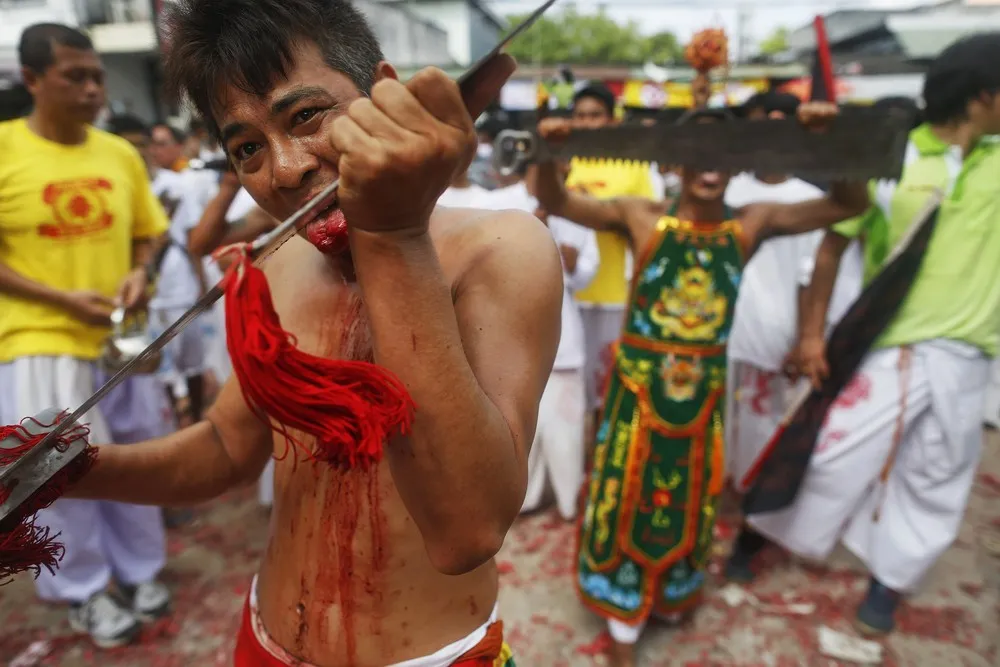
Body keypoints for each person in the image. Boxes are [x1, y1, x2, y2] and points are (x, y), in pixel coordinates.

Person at [62, 1, 563, 666]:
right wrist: (65, 471)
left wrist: (392, 233)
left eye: (305, 116)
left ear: (385, 94)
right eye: (247, 148)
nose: (287, 167)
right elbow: (225, 446)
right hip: (263, 639)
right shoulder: (274, 261)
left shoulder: (502, 247)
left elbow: (466, 529)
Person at [533, 107, 868, 667]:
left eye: (722, 150)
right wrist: (549, 154)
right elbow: (559, 201)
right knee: (628, 492)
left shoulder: (752, 223)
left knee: (693, 493)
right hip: (639, 397)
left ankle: (668, 593)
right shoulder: (641, 216)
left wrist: (825, 145)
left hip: (704, 396)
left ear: (736, 162)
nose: (709, 161)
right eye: (697, 148)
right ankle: (622, 609)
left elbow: (851, 204)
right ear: (676, 158)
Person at [727, 32, 1000, 636]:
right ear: (985, 93)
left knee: (937, 473)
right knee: (824, 454)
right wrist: (813, 337)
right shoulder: (893, 157)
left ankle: (890, 581)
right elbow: (831, 249)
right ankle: (757, 532)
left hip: (971, 354)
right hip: (888, 341)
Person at [0, 24, 172, 648]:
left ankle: (141, 571)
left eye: (97, 75)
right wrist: (59, 297)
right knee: (57, 475)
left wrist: (139, 272)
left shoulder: (118, 154)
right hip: (40, 340)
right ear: (32, 80)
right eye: (77, 75)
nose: (94, 88)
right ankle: (85, 589)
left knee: (138, 455)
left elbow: (150, 232)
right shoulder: (3, 150)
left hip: (123, 342)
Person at [722, 91, 864, 491]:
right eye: (759, 123)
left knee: (760, 434)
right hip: (719, 336)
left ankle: (751, 521)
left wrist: (806, 337)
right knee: (716, 435)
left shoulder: (807, 197)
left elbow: (812, 274)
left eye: (779, 122)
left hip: (772, 336)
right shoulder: (725, 189)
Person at [486, 167, 599, 522]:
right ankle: (523, 499)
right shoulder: (501, 203)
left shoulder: (580, 210)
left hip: (563, 336)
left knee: (565, 426)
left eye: (562, 164)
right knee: (517, 425)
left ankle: (568, 502)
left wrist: (575, 264)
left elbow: (586, 275)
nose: (557, 170)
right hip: (511, 336)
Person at [564, 82, 657, 449]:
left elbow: (644, 226)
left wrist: (592, 207)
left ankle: (605, 458)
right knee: (575, 386)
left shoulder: (633, 164)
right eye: (580, 116)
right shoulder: (566, 162)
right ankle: (578, 461)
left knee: (608, 385)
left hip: (615, 293)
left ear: (611, 120)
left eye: (595, 116)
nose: (587, 123)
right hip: (570, 294)